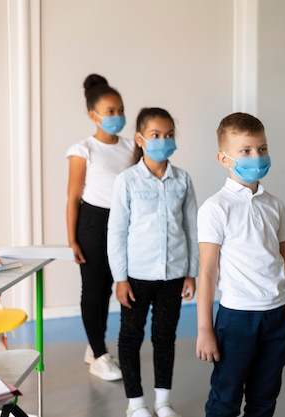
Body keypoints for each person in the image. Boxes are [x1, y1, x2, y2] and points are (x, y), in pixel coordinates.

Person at [196, 112, 285, 417]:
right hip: (237, 316)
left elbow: (284, 259)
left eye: (262, 149)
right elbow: (208, 271)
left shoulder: (275, 205)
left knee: (265, 397)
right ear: (224, 158)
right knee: (225, 398)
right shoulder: (215, 208)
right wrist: (204, 328)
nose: (257, 157)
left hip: (278, 313)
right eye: (246, 151)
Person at [107, 107, 198, 417]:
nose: (163, 140)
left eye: (169, 135)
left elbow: (192, 228)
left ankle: (163, 401)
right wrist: (120, 278)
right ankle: (135, 404)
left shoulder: (182, 179)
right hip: (136, 275)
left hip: (173, 274)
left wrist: (191, 272)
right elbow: (116, 231)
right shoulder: (127, 180)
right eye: (156, 135)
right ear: (140, 139)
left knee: (164, 337)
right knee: (130, 337)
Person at [65, 73, 134, 381]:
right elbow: (73, 197)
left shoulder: (133, 146)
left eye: (120, 110)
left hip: (124, 223)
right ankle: (99, 353)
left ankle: (95, 347)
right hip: (92, 223)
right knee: (94, 290)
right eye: (110, 112)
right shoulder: (83, 150)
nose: (117, 116)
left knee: (114, 285)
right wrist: (72, 241)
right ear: (93, 115)